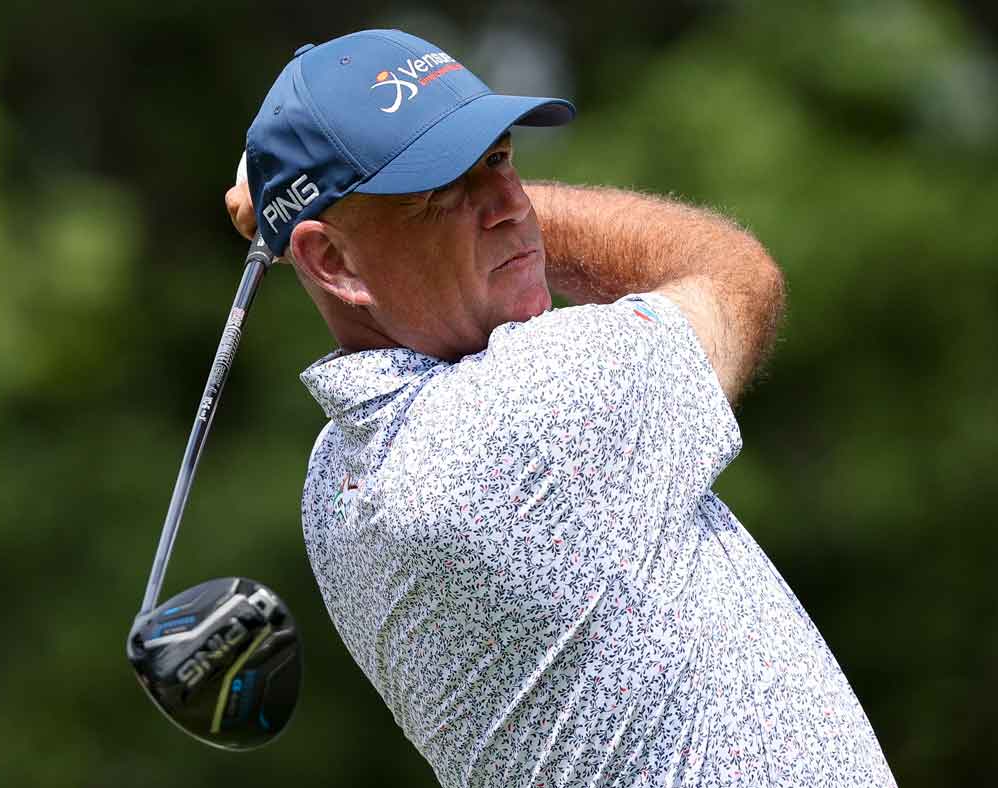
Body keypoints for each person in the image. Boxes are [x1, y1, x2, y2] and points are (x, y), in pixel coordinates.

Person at [225, 29, 896, 788]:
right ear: (331, 262)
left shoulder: (333, 483)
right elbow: (733, 274)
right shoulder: (524, 416)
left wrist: (329, 211)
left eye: (499, 159)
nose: (511, 205)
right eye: (441, 188)